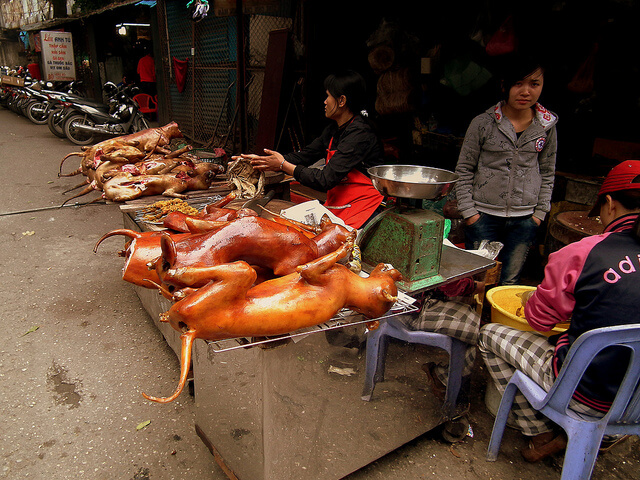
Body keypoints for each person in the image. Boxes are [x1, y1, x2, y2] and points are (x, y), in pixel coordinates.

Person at [478, 159, 640, 462]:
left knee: (488, 335)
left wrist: (538, 301)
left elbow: (539, 321)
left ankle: (539, 432)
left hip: (587, 396)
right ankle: (607, 436)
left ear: (609, 204)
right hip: (636, 402)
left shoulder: (582, 253)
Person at [454, 55, 558, 285]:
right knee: (476, 280)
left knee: (510, 280)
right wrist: (470, 214)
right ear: (504, 85)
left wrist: (539, 215)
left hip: (525, 219)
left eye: (534, 84)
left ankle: (498, 320)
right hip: (483, 215)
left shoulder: (546, 126)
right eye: (518, 83)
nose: (525, 91)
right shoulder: (483, 123)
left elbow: (548, 172)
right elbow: (463, 170)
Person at [245, 70, 385, 229]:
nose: (325, 101)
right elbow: (305, 156)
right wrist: (260, 161)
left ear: (341, 100)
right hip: (341, 203)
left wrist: (283, 165)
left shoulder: (360, 134)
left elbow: (325, 179)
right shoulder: (334, 130)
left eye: (328, 96)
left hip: (364, 206)